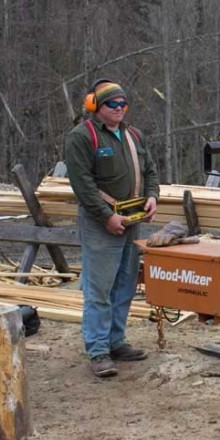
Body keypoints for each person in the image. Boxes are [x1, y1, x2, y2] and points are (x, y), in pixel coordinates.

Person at [64, 79, 160, 378]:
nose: (119, 109)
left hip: (131, 221)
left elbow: (151, 171)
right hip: (100, 223)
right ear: (96, 107)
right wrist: (106, 216)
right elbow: (83, 184)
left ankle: (116, 342)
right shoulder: (82, 137)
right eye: (112, 104)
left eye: (122, 104)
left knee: (124, 286)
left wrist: (153, 197)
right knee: (99, 289)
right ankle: (98, 350)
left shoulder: (134, 135)